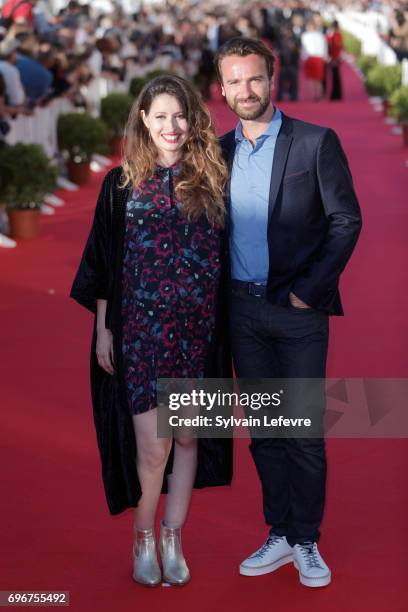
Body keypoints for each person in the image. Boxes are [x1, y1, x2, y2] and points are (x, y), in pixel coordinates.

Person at [70, 75, 232, 587]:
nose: (171, 126)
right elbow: (101, 263)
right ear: (143, 119)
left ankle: (172, 535)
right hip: (141, 333)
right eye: (160, 116)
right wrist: (103, 330)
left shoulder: (211, 179)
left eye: (180, 116)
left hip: (198, 333)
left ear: (193, 119)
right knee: (152, 448)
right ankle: (143, 536)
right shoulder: (120, 185)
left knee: (186, 440)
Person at [215, 37, 362, 588]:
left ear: (271, 79)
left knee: (300, 430)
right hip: (239, 310)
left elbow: (346, 219)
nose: (245, 90)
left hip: (298, 312)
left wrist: (308, 289)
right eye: (234, 80)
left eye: (254, 78)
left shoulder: (315, 142)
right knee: (266, 432)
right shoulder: (218, 150)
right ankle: (278, 532)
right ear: (223, 87)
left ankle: (306, 540)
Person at [326, 20, 343, 101]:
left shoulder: (336, 35)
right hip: (334, 57)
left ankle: (336, 95)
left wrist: (334, 58)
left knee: (335, 76)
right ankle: (335, 94)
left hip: (334, 57)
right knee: (334, 76)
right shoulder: (337, 35)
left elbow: (335, 47)